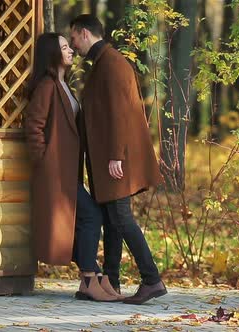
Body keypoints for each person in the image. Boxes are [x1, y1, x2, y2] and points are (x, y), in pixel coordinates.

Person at [70, 14, 167, 305]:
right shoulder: (104, 63)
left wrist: (115, 155)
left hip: (116, 160)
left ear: (84, 33)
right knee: (113, 220)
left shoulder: (112, 64)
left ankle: (152, 279)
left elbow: (120, 113)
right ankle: (110, 280)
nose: (73, 45)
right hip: (109, 160)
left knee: (121, 219)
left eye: (73, 38)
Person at [23, 32, 121, 302]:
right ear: (52, 54)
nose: (71, 51)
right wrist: (44, 161)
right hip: (55, 173)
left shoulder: (63, 84)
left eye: (69, 46)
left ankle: (90, 279)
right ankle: (90, 277)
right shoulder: (46, 86)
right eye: (64, 47)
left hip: (67, 172)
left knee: (83, 219)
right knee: (92, 216)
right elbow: (34, 126)